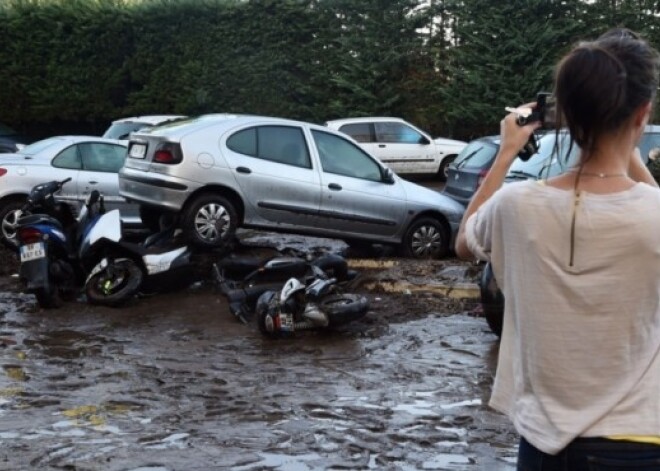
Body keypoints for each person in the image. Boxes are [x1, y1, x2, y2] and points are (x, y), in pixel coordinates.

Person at [454, 28, 660, 470]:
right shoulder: (654, 211)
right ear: (642, 113)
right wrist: (628, 149)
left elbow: (463, 241)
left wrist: (507, 152)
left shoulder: (515, 205)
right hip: (638, 443)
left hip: (543, 448)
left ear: (565, 114)